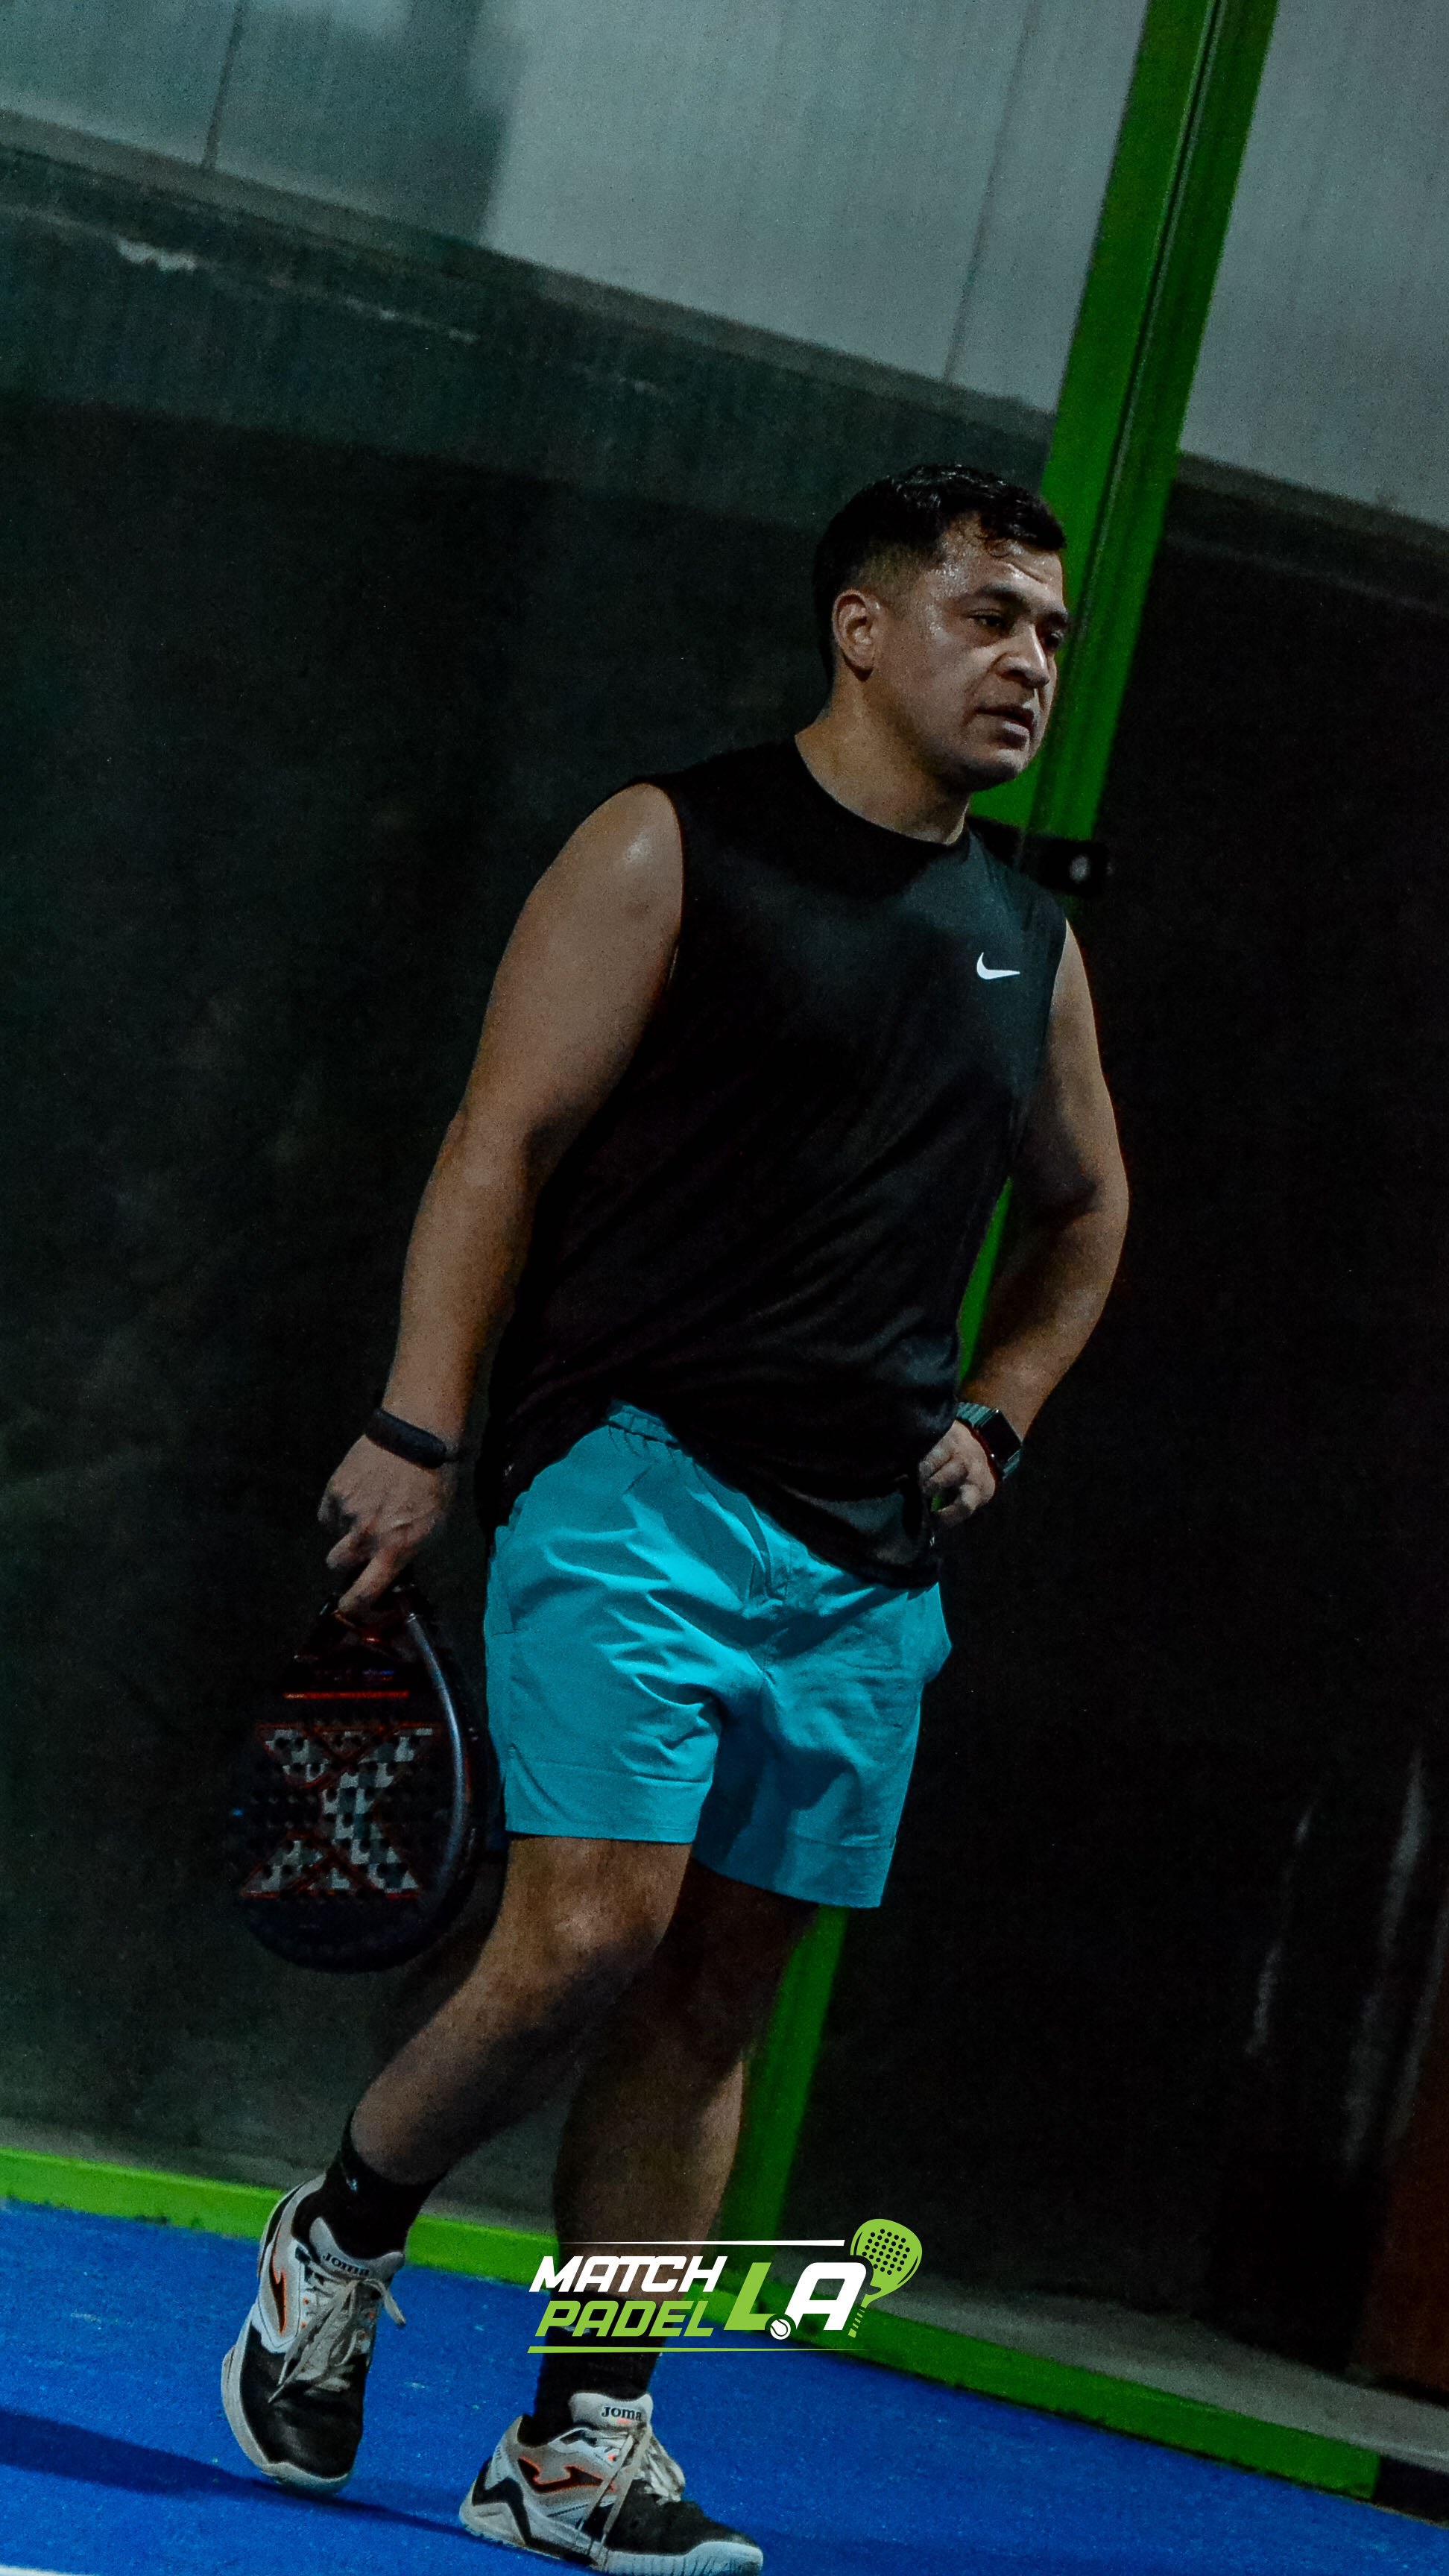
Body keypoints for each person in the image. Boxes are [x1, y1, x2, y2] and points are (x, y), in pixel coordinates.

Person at [221, 461, 1128, 2569]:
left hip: (864, 1556)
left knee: (714, 1993)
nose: (1029, 664)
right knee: (591, 1935)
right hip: (632, 1475)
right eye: (989, 617)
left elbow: (1087, 1217)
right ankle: (342, 2231)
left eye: (1053, 633)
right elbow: (499, 1141)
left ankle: (578, 2444)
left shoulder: (1031, 943)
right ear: (863, 631)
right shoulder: (668, 845)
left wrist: (1000, 1413)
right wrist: (418, 1424)